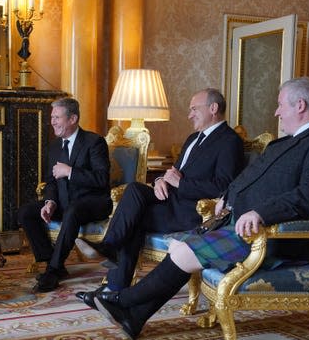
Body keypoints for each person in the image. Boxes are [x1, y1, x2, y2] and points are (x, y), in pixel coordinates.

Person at [91, 77, 309, 340]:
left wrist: (262, 213)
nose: (276, 112)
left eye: (279, 105)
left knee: (185, 250)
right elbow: (244, 178)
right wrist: (226, 197)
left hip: (276, 235)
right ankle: (133, 317)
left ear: (300, 105)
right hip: (241, 222)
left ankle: (121, 300)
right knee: (178, 246)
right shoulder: (285, 142)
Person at [74, 88, 245, 309]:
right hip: (170, 201)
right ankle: (112, 284)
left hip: (192, 212)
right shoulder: (194, 138)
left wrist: (179, 184)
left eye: (194, 109)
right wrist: (160, 181)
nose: (189, 114)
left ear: (213, 109)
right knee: (135, 190)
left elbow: (223, 186)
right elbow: (175, 172)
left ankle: (112, 283)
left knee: (133, 220)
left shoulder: (229, 141)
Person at [18, 97, 112, 292]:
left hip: (92, 203)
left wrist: (70, 172)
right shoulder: (54, 146)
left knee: (73, 210)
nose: (52, 121)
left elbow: (102, 179)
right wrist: (50, 201)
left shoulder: (94, 142)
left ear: (72, 119)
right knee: (26, 212)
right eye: (52, 117)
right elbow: (51, 181)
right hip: (64, 202)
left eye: (57, 117)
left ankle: (52, 271)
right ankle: (52, 261)